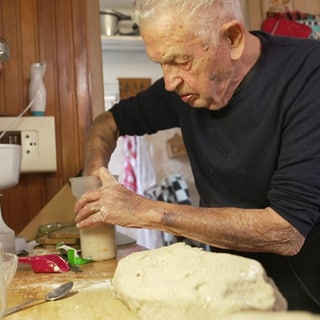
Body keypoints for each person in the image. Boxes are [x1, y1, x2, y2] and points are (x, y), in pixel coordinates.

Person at [74, 0, 320, 312]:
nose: (169, 81)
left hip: (307, 295)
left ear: (232, 38)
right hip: (227, 288)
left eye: (181, 61)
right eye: (160, 64)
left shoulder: (309, 75)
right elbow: (106, 123)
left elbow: (285, 231)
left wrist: (145, 211)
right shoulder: (184, 88)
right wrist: (95, 172)